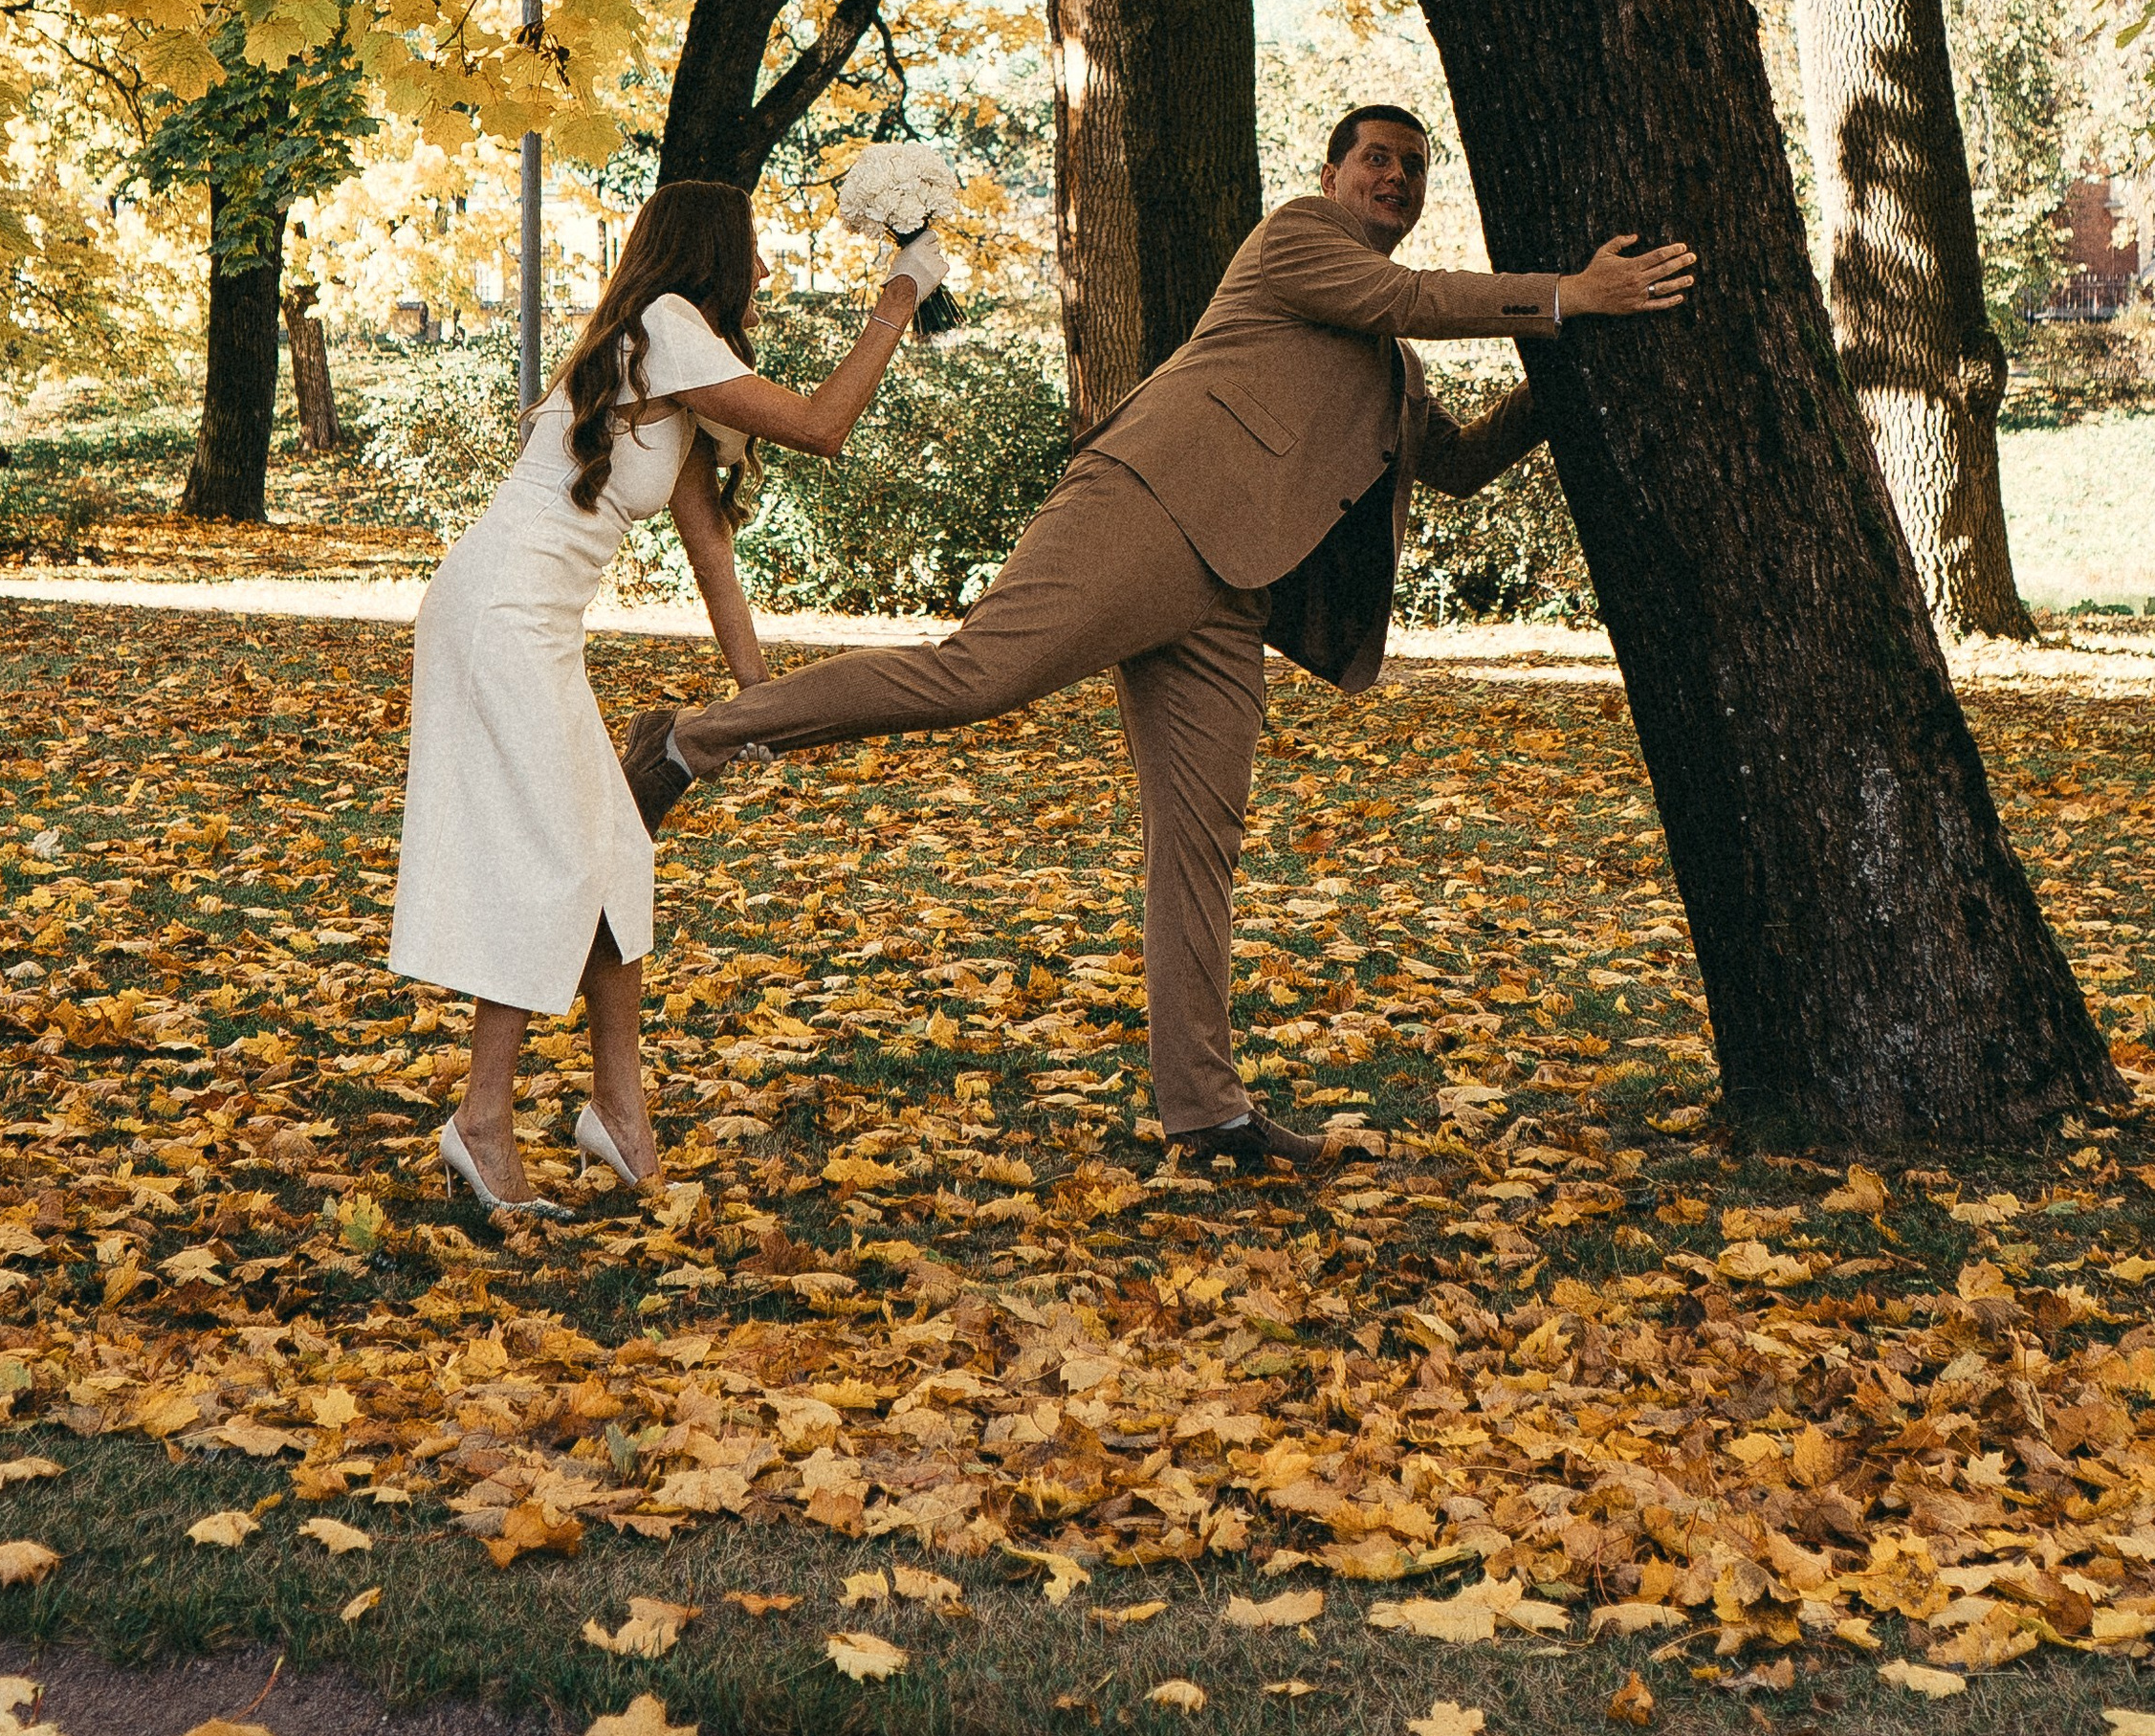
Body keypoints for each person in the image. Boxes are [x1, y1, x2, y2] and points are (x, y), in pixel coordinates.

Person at [620, 109, 1696, 1173]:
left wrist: (1574, 368)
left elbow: (1455, 463)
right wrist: (1568, 295)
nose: (1396, 178)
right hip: (1142, 511)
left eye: (1414, 167)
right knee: (976, 673)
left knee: (1198, 846)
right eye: (1377, 158)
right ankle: (691, 739)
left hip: (1233, 597)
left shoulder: (1394, 370)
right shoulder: (1296, 241)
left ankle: (1206, 1113)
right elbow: (1403, 294)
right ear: (1331, 174)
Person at [389, 175, 948, 1216]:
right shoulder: (665, 322)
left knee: (615, 858)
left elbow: (712, 556)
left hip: (527, 621)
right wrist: (899, 295)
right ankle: (480, 1118)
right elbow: (825, 426)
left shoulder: (670, 364)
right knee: (555, 858)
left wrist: (760, 702)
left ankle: (617, 1112)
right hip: (496, 616)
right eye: (756, 254)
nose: (769, 275)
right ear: (713, 257)